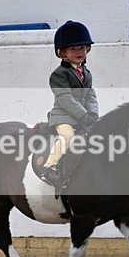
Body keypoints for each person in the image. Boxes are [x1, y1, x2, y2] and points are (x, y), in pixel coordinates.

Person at [41, 20, 99, 193]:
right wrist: (83, 115)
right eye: (74, 49)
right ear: (63, 53)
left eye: (82, 47)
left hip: (83, 116)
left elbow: (90, 95)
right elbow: (65, 98)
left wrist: (93, 114)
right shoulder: (59, 74)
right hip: (64, 116)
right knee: (67, 136)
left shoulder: (86, 73)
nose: (80, 52)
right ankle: (50, 167)